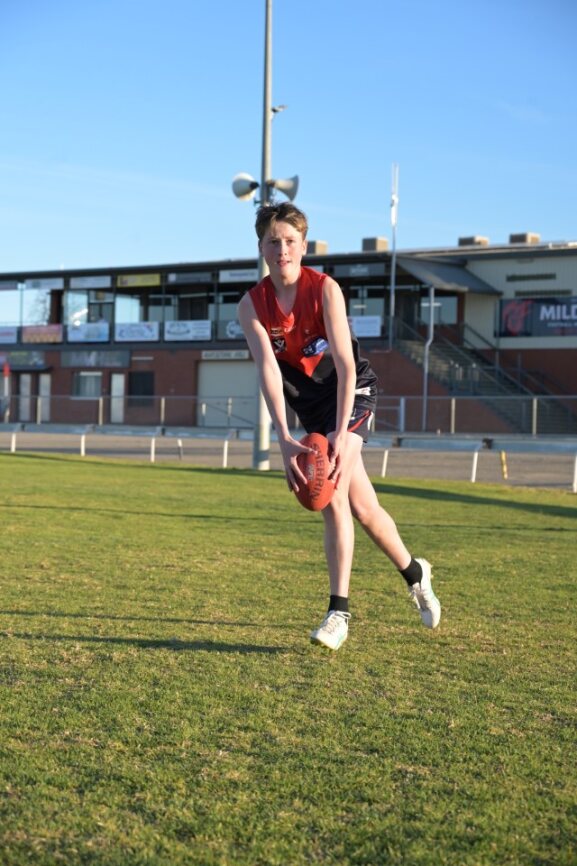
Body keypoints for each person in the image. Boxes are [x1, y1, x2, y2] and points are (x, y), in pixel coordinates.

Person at [237, 202, 441, 651]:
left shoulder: (325, 290)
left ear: (303, 246)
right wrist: (283, 438)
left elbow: (347, 366)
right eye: (273, 241)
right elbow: (268, 371)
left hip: (351, 393)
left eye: (290, 241)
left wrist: (340, 433)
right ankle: (416, 573)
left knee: (330, 492)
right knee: (364, 509)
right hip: (311, 408)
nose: (282, 249)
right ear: (261, 248)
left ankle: (338, 612)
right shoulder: (251, 305)